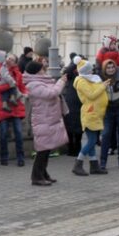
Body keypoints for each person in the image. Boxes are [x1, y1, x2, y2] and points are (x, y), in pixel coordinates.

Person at [23, 58, 69, 186]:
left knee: (47, 149)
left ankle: (43, 173)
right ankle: (36, 177)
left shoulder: (41, 81)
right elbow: (51, 93)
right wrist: (61, 82)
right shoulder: (33, 84)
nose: (45, 71)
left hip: (48, 118)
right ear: (37, 71)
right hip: (43, 120)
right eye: (43, 69)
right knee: (42, 150)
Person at [0, 51, 28, 166]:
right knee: (3, 134)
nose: (9, 60)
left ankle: (20, 158)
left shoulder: (18, 74)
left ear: (15, 63)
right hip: (3, 107)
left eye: (12, 59)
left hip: (16, 107)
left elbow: (23, 88)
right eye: (8, 58)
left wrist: (25, 94)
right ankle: (4, 158)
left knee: (18, 133)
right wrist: (9, 85)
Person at [73, 57, 108, 175]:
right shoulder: (81, 82)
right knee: (92, 141)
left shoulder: (88, 80)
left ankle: (94, 166)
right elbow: (91, 95)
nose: (92, 71)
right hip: (90, 113)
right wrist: (103, 86)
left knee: (92, 140)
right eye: (89, 69)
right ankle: (78, 164)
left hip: (95, 113)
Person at [61, 54, 83, 156]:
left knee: (79, 128)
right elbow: (66, 72)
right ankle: (71, 149)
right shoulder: (71, 74)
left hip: (80, 102)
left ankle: (77, 148)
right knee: (69, 127)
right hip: (71, 101)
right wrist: (74, 64)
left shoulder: (84, 74)